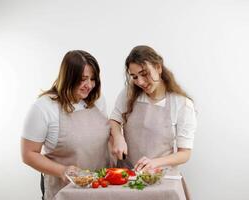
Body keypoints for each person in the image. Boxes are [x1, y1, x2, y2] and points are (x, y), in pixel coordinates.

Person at [110, 45, 197, 198]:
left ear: (158, 67)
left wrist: (155, 162)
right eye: (135, 77)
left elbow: (185, 154)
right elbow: (115, 120)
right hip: (128, 178)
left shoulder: (182, 104)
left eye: (145, 74)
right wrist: (118, 137)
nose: (141, 82)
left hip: (161, 180)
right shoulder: (129, 94)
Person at [21, 50, 110, 200]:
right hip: (64, 191)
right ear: (68, 78)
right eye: (83, 79)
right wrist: (63, 171)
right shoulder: (44, 107)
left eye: (93, 79)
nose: (89, 85)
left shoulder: (97, 100)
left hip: (100, 188)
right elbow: (28, 154)